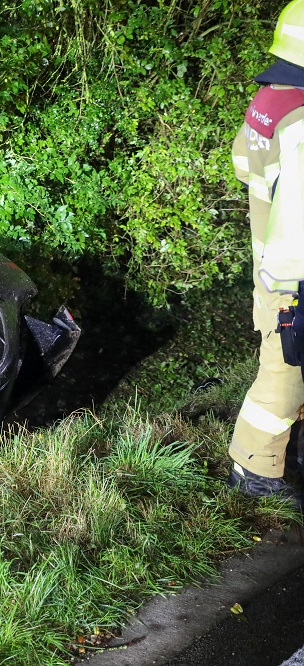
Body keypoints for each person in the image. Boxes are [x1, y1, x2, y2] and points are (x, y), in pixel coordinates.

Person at [228, 0, 304, 509]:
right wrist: (287, 293)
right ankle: (254, 470)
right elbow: (299, 221)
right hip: (291, 277)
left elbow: (243, 163)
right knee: (283, 372)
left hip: (269, 266)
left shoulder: (272, 96)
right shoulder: (302, 117)